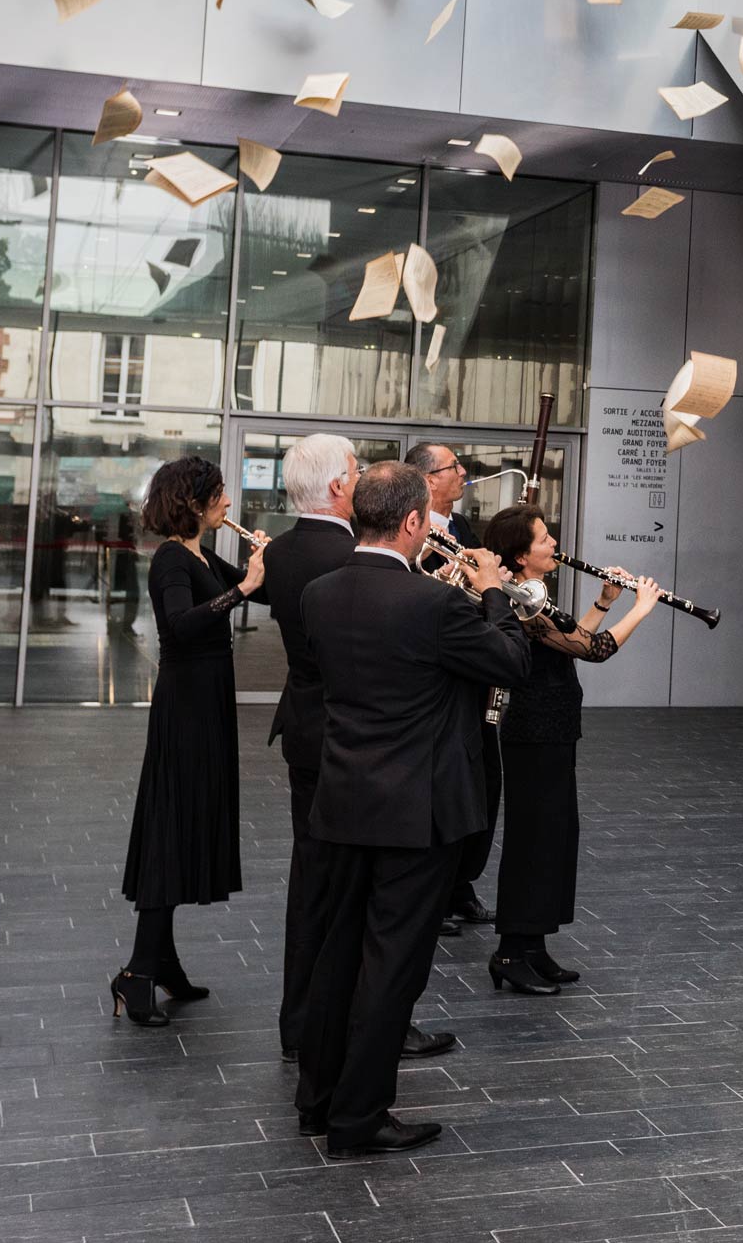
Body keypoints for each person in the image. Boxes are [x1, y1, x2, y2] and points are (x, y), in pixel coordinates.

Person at [291, 462, 528, 1153]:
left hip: (342, 801)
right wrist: (493, 591)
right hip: (415, 812)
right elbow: (511, 662)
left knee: (335, 957)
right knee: (392, 967)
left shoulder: (319, 594)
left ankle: (318, 1102)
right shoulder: (434, 604)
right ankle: (358, 1119)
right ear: (414, 521)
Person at [477, 505, 661, 994]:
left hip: (554, 728)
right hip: (532, 732)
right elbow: (594, 649)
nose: (553, 543)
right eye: (543, 539)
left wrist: (604, 601)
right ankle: (510, 952)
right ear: (520, 556)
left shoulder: (533, 594)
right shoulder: (519, 602)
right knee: (532, 841)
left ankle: (534, 946)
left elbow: (571, 640)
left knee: (555, 837)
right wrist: (641, 608)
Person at [112, 455, 266, 1027]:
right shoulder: (172, 558)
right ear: (195, 502)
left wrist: (263, 565)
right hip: (185, 706)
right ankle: (138, 974)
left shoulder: (201, 554)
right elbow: (180, 624)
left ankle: (161, 962)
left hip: (207, 700)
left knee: (183, 826)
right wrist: (243, 587)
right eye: (220, 493)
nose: (228, 502)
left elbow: (259, 593)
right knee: (171, 830)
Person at [259, 435, 362, 1060]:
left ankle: (299, 1023)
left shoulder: (279, 551)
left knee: (311, 879)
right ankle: (349, 1023)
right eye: (355, 470)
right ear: (337, 487)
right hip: (354, 737)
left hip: (304, 728)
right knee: (354, 888)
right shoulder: (354, 557)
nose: (360, 478)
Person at [408, 442, 493, 933]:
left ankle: (461, 884)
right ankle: (435, 895)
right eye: (453, 467)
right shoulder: (413, 532)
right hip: (434, 673)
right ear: (427, 480)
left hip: (471, 667)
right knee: (440, 787)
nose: (463, 473)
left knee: (477, 784)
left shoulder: (460, 526)